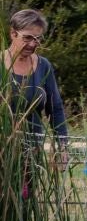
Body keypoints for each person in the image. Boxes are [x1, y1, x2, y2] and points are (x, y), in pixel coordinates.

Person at [6, 10, 68, 147]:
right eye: (27, 38)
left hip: (33, 154)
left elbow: (55, 108)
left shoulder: (43, 65)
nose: (33, 44)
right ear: (13, 34)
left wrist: (62, 146)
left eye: (38, 39)